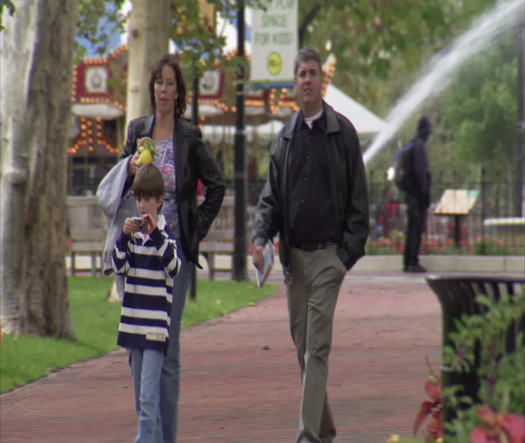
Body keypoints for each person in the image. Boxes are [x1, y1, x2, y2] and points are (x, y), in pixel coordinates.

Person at [251, 46, 369, 443]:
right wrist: (259, 237)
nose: (306, 80)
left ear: (322, 81)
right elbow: (270, 198)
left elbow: (359, 200)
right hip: (293, 261)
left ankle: (307, 435)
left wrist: (344, 256)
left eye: (313, 73)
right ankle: (325, 427)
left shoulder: (344, 134)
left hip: (327, 258)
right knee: (303, 347)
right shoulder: (285, 137)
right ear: (295, 83)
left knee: (317, 346)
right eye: (301, 73)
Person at [121, 53, 225, 442]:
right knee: (136, 347)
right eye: (159, 82)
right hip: (138, 253)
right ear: (152, 88)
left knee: (166, 348)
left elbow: (216, 186)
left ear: (179, 92)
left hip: (172, 255)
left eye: (171, 83)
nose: (164, 90)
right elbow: (118, 186)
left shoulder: (189, 136)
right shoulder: (136, 131)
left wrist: (195, 230)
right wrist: (129, 167)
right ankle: (150, 431)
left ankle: (165, 437)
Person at [112, 164, 180, 443]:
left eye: (147, 198)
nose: (142, 205)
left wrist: (155, 235)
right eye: (138, 198)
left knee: (148, 398)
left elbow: (174, 267)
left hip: (154, 329)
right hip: (132, 326)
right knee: (141, 400)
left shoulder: (166, 237)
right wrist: (123, 237)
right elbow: (118, 267)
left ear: (160, 200)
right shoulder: (133, 236)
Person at [403, 115, 432, 273]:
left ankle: (408, 261)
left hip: (410, 194)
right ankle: (413, 262)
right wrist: (425, 193)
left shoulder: (412, 144)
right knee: (416, 229)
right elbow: (420, 172)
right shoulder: (419, 146)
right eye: (429, 129)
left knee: (411, 228)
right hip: (417, 196)